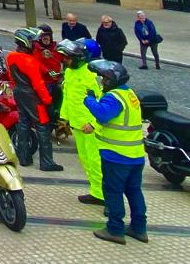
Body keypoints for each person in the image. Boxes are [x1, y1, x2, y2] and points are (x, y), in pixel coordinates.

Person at [83, 59, 147, 244]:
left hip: (117, 155)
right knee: (134, 191)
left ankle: (115, 229)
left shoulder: (114, 97)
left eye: (104, 79)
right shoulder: (129, 94)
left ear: (112, 80)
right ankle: (139, 228)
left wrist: (89, 99)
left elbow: (102, 114)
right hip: (135, 155)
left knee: (113, 192)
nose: (102, 82)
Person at [5, 27, 62, 172]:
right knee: (43, 127)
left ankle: (23, 157)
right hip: (32, 96)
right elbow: (39, 84)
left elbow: (11, 76)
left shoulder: (11, 56)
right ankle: (46, 162)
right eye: (32, 41)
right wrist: (48, 101)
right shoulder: (30, 61)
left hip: (19, 92)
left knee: (23, 123)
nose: (34, 44)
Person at [57, 39, 103, 206]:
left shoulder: (91, 75)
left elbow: (101, 102)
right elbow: (67, 96)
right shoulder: (70, 72)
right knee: (86, 160)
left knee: (95, 161)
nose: (65, 61)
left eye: (67, 58)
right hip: (78, 125)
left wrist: (93, 123)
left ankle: (106, 196)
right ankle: (96, 192)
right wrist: (64, 118)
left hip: (90, 127)